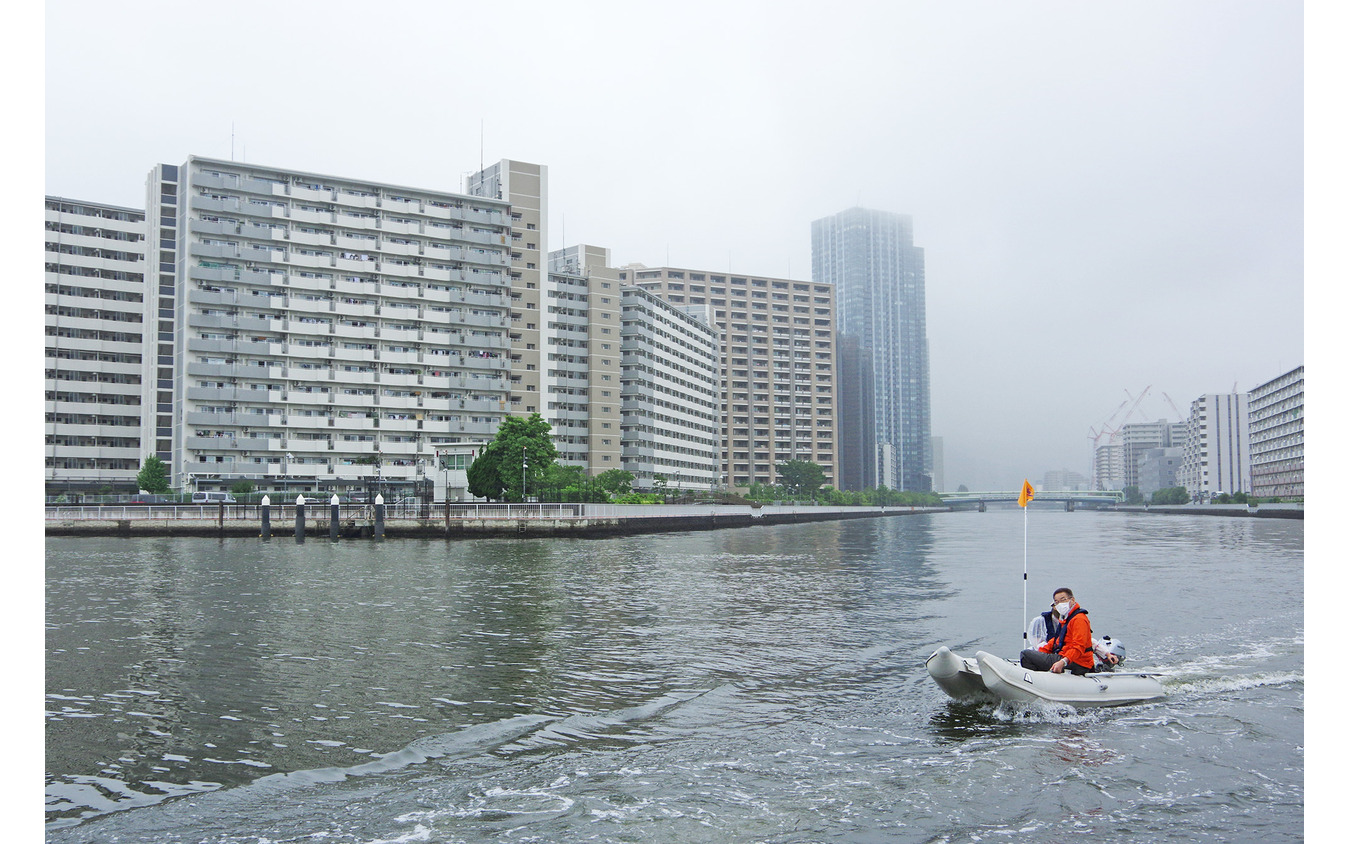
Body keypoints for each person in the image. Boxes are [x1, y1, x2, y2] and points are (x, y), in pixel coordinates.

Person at [1020, 587, 1118, 675]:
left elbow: (1079, 646)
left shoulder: (1079, 619)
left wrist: (1063, 662)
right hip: (1066, 656)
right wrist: (1042, 652)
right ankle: (1045, 678)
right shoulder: (1066, 619)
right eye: (1056, 602)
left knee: (1025, 655)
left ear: (1072, 600)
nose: (1059, 604)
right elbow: (1056, 642)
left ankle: (1041, 680)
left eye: (1063, 600)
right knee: (1031, 654)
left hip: (1078, 662)